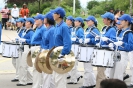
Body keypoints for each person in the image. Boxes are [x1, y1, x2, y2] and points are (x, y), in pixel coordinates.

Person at [95, 12, 116, 88]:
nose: (103, 20)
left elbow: (113, 42)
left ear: (109, 20)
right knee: (99, 73)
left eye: (104, 18)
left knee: (101, 74)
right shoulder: (104, 28)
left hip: (105, 53)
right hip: (101, 52)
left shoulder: (112, 29)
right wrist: (97, 39)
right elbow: (101, 40)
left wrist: (108, 40)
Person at [109, 14, 133, 81]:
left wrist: (123, 44)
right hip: (116, 52)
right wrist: (112, 44)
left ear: (127, 22)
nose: (120, 22)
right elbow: (116, 41)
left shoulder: (129, 33)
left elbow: (131, 47)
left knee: (118, 75)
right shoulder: (120, 31)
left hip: (123, 54)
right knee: (112, 73)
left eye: (122, 20)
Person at [52, 7, 71, 88]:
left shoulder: (64, 27)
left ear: (59, 15)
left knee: (60, 80)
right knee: (55, 78)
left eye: (54, 13)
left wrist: (62, 54)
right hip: (56, 54)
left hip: (62, 55)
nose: (53, 15)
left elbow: (68, 43)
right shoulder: (57, 26)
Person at [79, 16, 100, 88]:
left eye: (88, 20)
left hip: (90, 50)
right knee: (87, 68)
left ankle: (87, 84)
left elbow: (98, 41)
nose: (87, 22)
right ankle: (92, 82)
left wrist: (90, 40)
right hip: (86, 49)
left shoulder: (95, 30)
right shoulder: (88, 29)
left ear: (93, 22)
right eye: (86, 21)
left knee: (88, 68)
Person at [16, 18, 34, 86]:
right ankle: (30, 79)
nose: (25, 23)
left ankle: (23, 81)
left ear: (31, 24)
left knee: (23, 65)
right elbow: (21, 37)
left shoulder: (31, 32)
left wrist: (25, 40)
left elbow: (32, 41)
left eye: (27, 22)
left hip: (27, 48)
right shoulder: (25, 31)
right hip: (23, 48)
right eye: (25, 22)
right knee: (24, 65)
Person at [30, 14, 46, 88]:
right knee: (35, 68)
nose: (35, 20)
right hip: (34, 47)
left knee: (37, 68)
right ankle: (37, 85)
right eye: (35, 19)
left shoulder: (43, 28)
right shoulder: (38, 28)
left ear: (41, 21)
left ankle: (37, 86)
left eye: (37, 19)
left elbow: (44, 40)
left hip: (38, 47)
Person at [67, 17, 84, 84]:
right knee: (71, 63)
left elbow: (81, 39)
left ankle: (73, 79)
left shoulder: (80, 30)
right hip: (72, 46)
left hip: (76, 47)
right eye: (75, 21)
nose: (75, 22)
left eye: (77, 21)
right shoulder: (74, 29)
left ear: (80, 22)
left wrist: (76, 40)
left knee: (74, 64)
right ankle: (77, 75)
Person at [41, 11, 55, 88]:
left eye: (45, 18)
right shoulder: (47, 29)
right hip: (44, 51)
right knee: (45, 74)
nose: (44, 19)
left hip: (48, 52)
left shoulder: (52, 30)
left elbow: (52, 44)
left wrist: (49, 55)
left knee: (47, 74)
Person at [11, 18, 25, 82]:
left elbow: (23, 38)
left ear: (22, 23)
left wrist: (19, 39)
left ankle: (18, 76)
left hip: (21, 47)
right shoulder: (18, 29)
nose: (17, 23)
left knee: (18, 63)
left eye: (19, 22)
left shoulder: (24, 30)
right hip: (16, 46)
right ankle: (18, 74)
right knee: (14, 61)